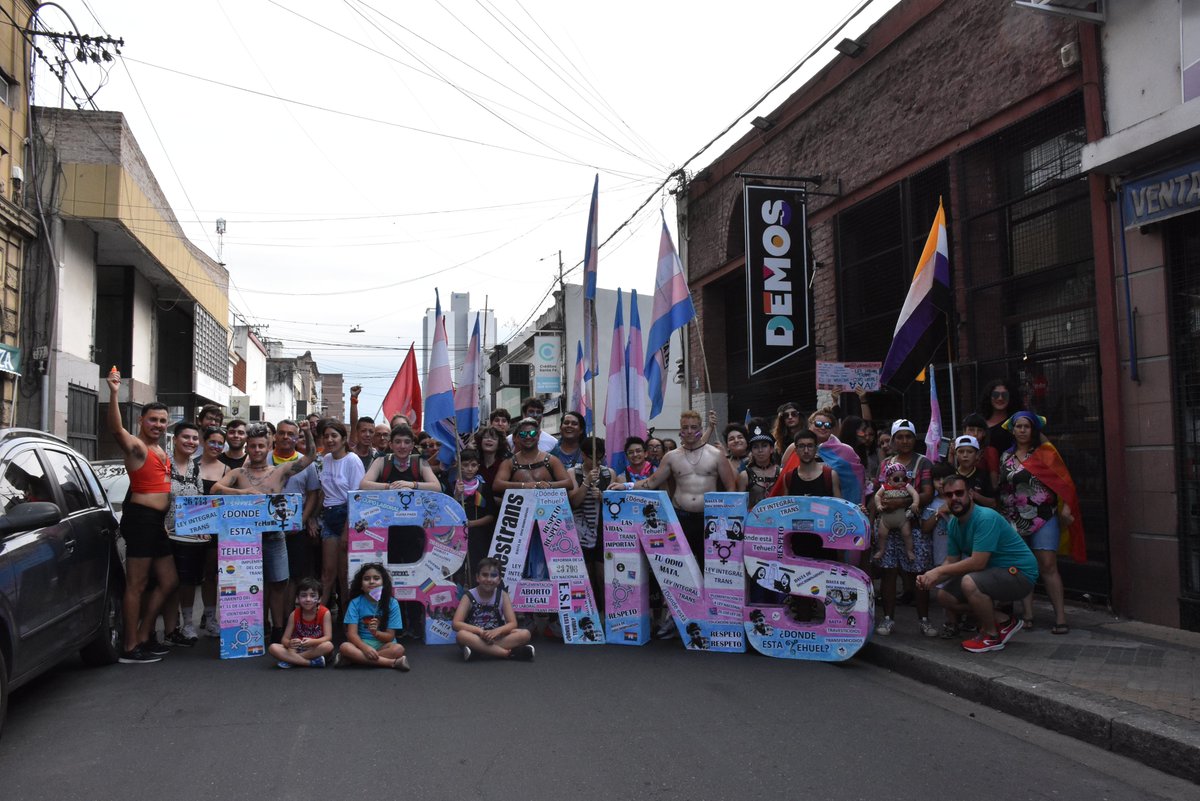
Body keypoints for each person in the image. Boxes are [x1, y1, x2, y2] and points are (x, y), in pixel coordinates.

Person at [632, 410, 737, 637]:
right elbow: (652, 482)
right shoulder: (672, 457)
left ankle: (713, 619)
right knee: (678, 572)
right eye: (685, 427)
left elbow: (731, 488)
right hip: (681, 519)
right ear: (680, 429)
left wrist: (727, 520)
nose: (689, 432)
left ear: (700, 428)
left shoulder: (716, 455)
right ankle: (675, 618)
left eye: (694, 427)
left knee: (711, 570)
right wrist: (626, 486)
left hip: (710, 521)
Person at [213, 423, 317, 643]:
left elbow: (310, 457)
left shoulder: (279, 471)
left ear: (268, 447)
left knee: (279, 583)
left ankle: (279, 628)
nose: (257, 450)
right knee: (249, 585)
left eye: (261, 446)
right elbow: (215, 489)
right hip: (245, 539)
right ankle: (255, 629)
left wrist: (307, 432)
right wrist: (242, 492)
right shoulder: (238, 473)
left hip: (274, 536)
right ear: (247, 448)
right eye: (253, 446)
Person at [917, 474, 1038, 653]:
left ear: (971, 494)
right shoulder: (954, 523)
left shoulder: (985, 518)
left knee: (969, 582)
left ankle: (991, 636)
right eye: (949, 495)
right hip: (993, 572)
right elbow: (952, 560)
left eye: (959, 493)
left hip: (1020, 574)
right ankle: (1003, 621)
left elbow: (978, 562)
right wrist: (932, 577)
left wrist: (938, 573)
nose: (954, 498)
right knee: (945, 596)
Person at [107, 368, 175, 664]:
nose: (158, 425)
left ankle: (144, 633)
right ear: (141, 421)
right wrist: (113, 393)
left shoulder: (160, 449)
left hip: (156, 524)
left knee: (169, 580)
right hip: (141, 520)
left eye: (162, 420)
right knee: (137, 584)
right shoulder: (137, 447)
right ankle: (130, 646)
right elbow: (116, 430)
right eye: (152, 420)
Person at [998, 411, 1086, 634]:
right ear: (1013, 430)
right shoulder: (1006, 456)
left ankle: (1061, 617)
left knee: (1048, 565)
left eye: (1026, 426)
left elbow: (1065, 482)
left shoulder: (1046, 453)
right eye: (1018, 426)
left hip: (1044, 516)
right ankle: (1027, 614)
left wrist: (1066, 508)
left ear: (1034, 430)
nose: (1022, 430)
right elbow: (1002, 487)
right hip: (1013, 518)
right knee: (1022, 566)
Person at [873, 419, 936, 638]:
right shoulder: (885, 464)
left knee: (919, 573)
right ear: (893, 440)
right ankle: (888, 619)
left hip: (914, 526)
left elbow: (928, 493)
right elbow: (876, 492)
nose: (904, 441)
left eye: (908, 436)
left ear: (914, 439)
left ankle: (924, 620)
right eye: (899, 437)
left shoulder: (923, 463)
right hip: (887, 526)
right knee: (889, 572)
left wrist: (903, 502)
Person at [162, 422, 204, 649]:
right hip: (164, 535)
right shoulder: (163, 463)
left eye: (195, 438)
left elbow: (200, 501)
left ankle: (187, 625)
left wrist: (202, 528)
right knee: (168, 584)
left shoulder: (195, 467)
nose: (191, 442)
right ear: (175, 439)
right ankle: (168, 628)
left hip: (189, 537)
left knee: (187, 581)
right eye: (186, 437)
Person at [316, 420, 365, 609]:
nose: (330, 440)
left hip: (347, 515)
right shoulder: (325, 459)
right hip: (329, 515)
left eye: (334, 436)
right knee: (327, 573)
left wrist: (346, 531)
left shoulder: (353, 461)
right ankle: (318, 616)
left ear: (343, 439)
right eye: (326, 436)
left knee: (345, 575)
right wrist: (313, 517)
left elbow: (356, 498)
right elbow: (323, 491)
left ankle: (347, 617)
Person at [269, 420, 323, 592]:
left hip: (296, 530)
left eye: (291, 434)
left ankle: (289, 610)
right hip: (268, 530)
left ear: (296, 438)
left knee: (294, 577)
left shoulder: (305, 462)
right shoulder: (263, 459)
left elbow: (313, 494)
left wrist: (301, 521)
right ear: (275, 436)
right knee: (269, 578)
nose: (286, 437)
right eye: (282, 433)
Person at [453, 558, 535, 661]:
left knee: (525, 634)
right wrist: (480, 631)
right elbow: (456, 624)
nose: (489, 579)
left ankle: (479, 650)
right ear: (477, 577)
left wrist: (497, 631)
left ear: (499, 579)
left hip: (496, 637)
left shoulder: (503, 595)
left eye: (493, 575)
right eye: (485, 575)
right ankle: (508, 653)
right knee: (461, 635)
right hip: (475, 637)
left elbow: (512, 623)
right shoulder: (468, 596)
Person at [336, 563, 410, 670]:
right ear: (361, 586)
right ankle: (391, 663)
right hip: (361, 644)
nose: (371, 581)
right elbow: (352, 634)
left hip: (383, 644)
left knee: (398, 649)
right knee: (345, 647)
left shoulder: (392, 603)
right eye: (366, 579)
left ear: (383, 583)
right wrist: (365, 648)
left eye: (376, 578)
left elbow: (390, 636)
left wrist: (376, 633)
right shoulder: (355, 603)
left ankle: (354, 659)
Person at [193, 426, 229, 638]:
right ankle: (186, 622)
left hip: (216, 530)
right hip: (191, 529)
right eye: (212, 442)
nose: (216, 446)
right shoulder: (191, 465)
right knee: (187, 578)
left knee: (211, 575)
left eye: (220, 443)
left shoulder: (227, 470)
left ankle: (210, 619)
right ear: (203, 442)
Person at [567, 437, 612, 605]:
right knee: (587, 576)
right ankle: (590, 609)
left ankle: (605, 609)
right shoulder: (573, 473)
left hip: (602, 531)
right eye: (593, 457)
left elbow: (615, 505)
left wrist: (602, 497)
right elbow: (574, 501)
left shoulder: (609, 473)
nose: (597, 462)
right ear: (584, 455)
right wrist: (586, 483)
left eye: (600, 457)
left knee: (602, 575)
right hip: (580, 530)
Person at [267, 577, 334, 668]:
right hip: (297, 648)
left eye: (312, 596)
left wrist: (313, 641)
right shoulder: (294, 614)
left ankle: (290, 660)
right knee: (273, 648)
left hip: (315, 647)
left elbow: (328, 637)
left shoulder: (325, 613)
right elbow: (284, 639)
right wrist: (290, 643)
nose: (308, 599)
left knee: (328, 646)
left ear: (319, 599)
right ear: (297, 598)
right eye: (303, 595)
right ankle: (310, 663)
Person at [493, 417, 572, 493]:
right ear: (518, 437)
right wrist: (523, 485)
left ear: (538, 436)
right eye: (523, 434)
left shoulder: (551, 460)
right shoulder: (509, 463)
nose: (528, 437)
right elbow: (497, 485)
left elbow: (568, 483)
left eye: (532, 433)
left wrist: (549, 485)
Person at [360, 424, 441, 491]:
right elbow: (363, 485)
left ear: (412, 446)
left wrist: (412, 485)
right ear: (391, 445)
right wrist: (390, 486)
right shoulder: (381, 461)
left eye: (407, 442)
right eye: (398, 442)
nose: (402, 446)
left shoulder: (420, 462)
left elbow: (437, 487)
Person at [455, 448, 497, 575]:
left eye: (473, 465)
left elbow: (491, 515)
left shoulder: (484, 487)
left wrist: (471, 523)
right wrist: (457, 495)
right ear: (458, 465)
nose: (469, 469)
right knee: (458, 567)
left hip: (479, 536)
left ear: (478, 467)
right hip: (457, 536)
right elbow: (447, 510)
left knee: (477, 566)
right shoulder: (452, 485)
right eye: (465, 465)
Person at [873, 463, 920, 562]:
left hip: (903, 519)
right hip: (886, 519)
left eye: (904, 479)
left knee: (907, 534)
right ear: (889, 479)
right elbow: (877, 495)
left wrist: (915, 503)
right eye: (896, 479)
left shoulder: (906, 486)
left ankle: (909, 551)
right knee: (882, 534)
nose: (901, 481)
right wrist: (878, 505)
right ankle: (881, 550)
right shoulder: (885, 487)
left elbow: (914, 493)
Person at [737, 423, 779, 508]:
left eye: (764, 446)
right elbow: (740, 506)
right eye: (755, 447)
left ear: (771, 449)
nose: (760, 450)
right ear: (751, 451)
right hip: (752, 516)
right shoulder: (745, 476)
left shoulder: (781, 472)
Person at [952, 434, 997, 509]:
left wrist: (975, 495)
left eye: (970, 452)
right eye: (961, 452)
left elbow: (993, 503)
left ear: (977, 455)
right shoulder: (951, 474)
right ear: (956, 454)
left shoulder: (983, 475)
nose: (965, 455)